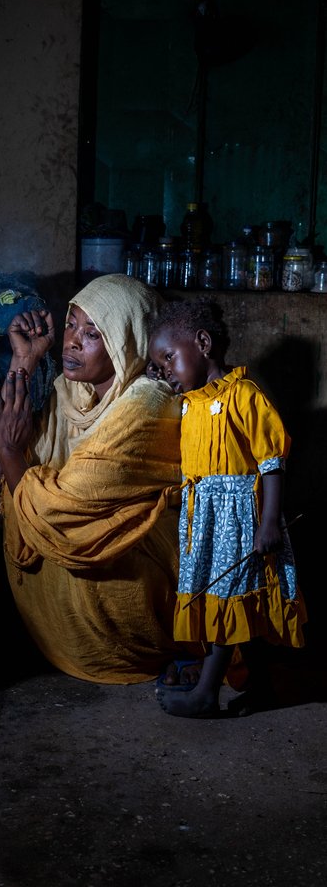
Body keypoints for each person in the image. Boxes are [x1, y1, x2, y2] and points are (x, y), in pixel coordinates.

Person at [0, 273, 200, 685]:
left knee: (73, 536)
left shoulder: (148, 406)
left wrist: (11, 451)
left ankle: (137, 647)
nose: (72, 342)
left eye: (93, 333)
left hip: (148, 562)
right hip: (66, 522)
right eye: (71, 325)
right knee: (26, 503)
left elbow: (62, 510)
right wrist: (23, 363)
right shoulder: (71, 392)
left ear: (126, 342)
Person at [147, 297, 307, 718]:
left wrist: (269, 522)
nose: (166, 371)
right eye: (160, 365)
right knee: (238, 603)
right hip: (206, 524)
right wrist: (162, 372)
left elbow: (273, 464)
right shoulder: (192, 400)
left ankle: (205, 692)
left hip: (241, 523)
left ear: (203, 343)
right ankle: (264, 687)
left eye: (169, 359)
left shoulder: (245, 397)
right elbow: (173, 384)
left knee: (226, 601)